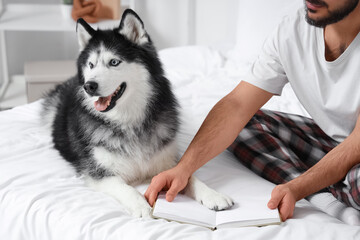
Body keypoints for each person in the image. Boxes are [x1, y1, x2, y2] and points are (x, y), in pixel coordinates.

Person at [145, 0, 360, 224]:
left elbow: (357, 143)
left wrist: (297, 189)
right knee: (248, 125)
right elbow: (237, 105)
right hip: (333, 141)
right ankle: (325, 194)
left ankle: (322, 187)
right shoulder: (292, 31)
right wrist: (182, 169)